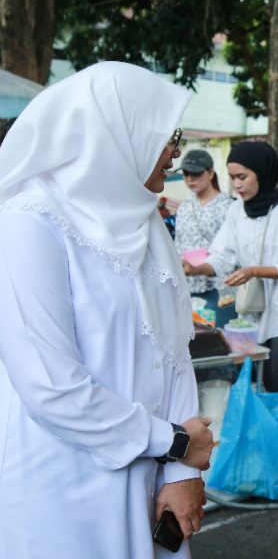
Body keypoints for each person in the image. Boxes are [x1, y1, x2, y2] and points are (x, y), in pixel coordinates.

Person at [0, 62, 214, 559]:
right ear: (119, 129)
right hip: (63, 488)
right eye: (168, 134)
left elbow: (176, 349)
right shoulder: (29, 224)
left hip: (153, 474)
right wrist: (175, 442)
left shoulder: (143, 218)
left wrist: (182, 472)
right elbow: (51, 388)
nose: (176, 152)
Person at [182, 142, 278, 424]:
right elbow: (221, 255)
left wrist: (253, 271)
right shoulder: (237, 211)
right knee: (252, 376)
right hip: (250, 314)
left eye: (243, 177)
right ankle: (260, 436)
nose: (237, 184)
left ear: (263, 173)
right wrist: (195, 268)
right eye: (233, 177)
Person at [174, 149, 236, 326]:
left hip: (220, 288)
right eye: (186, 174)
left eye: (196, 174)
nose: (190, 179)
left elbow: (232, 249)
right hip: (188, 287)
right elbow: (178, 243)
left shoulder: (229, 206)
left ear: (210, 173)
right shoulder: (185, 207)